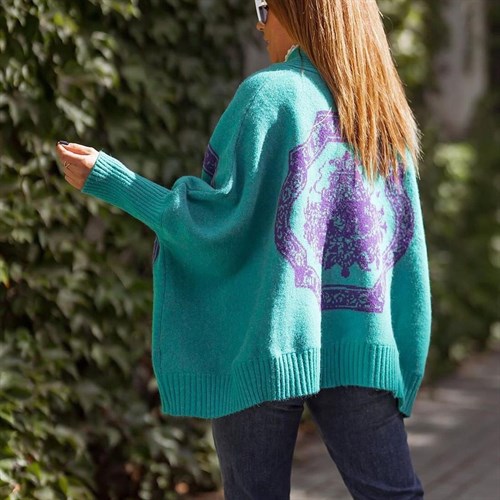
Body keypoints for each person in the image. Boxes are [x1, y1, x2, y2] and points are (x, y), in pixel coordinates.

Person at [56, 0, 432, 498]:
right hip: (362, 342)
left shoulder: (269, 95)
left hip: (264, 340)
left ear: (298, 11)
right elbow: (404, 248)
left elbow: (214, 224)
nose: (259, 24)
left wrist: (114, 180)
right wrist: (403, 355)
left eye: (264, 7)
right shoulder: (382, 110)